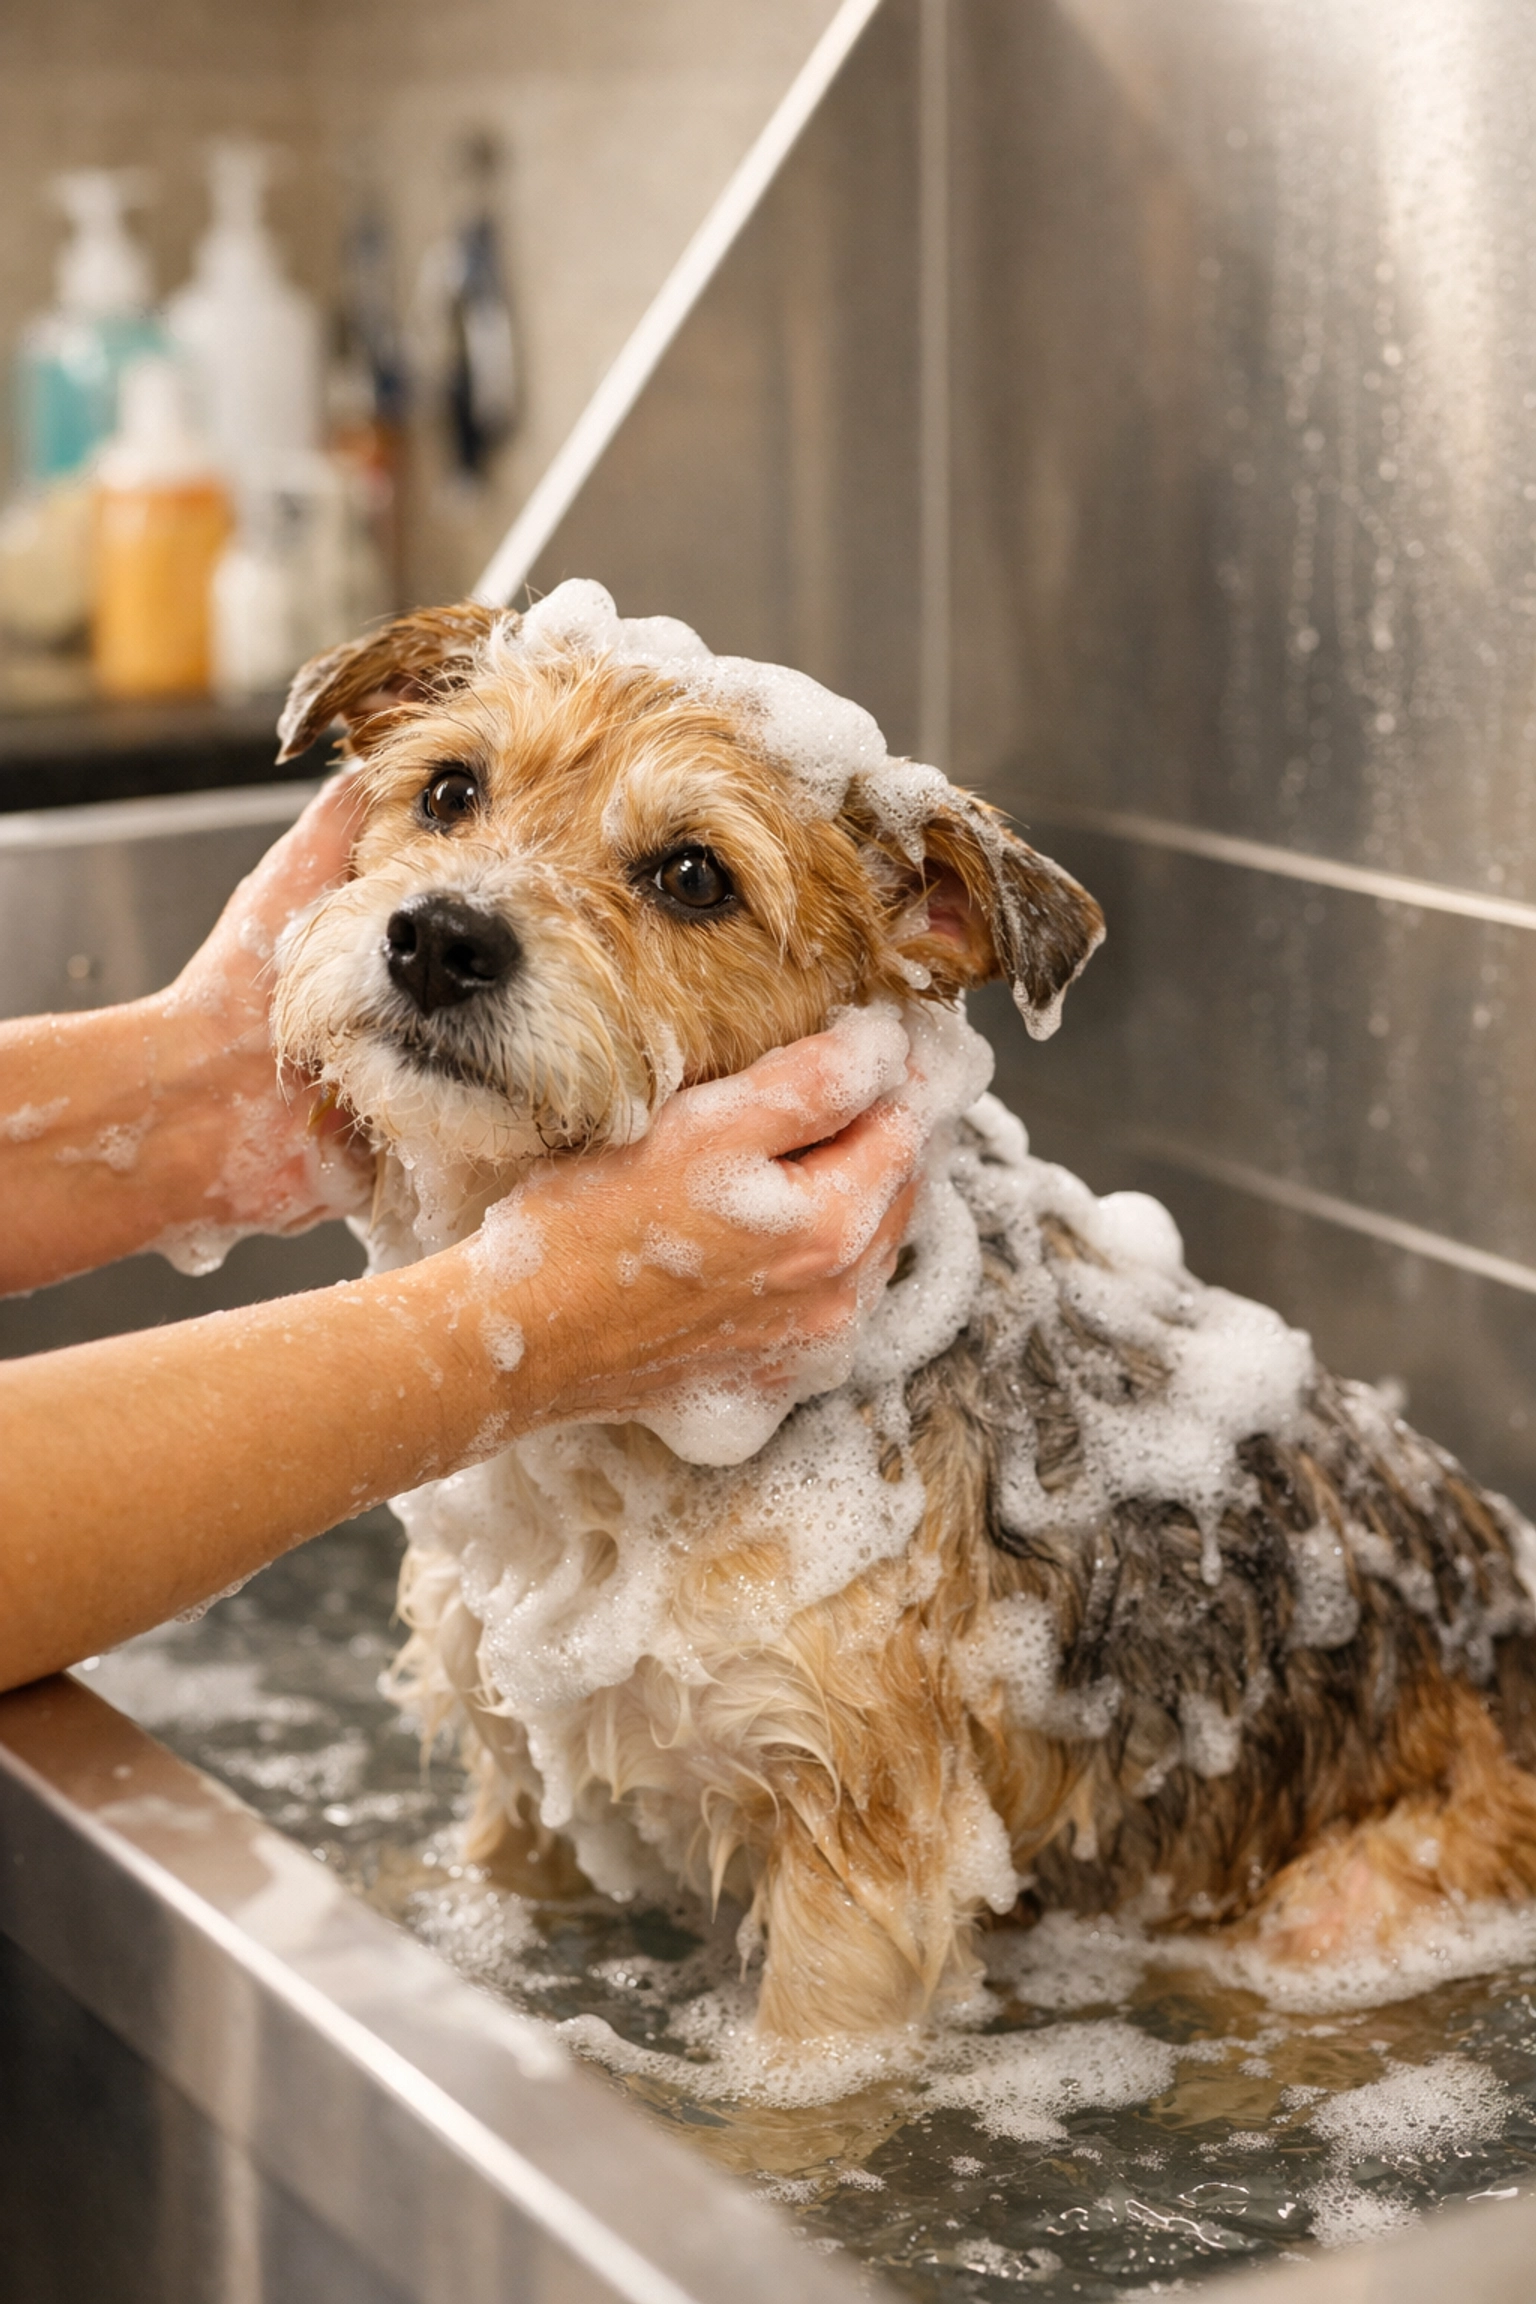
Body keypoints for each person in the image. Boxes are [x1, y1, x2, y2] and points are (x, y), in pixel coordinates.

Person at [0, 776, 924, 1695]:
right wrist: (533, 1329)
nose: (457, 914)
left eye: (689, 880)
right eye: (450, 798)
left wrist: (185, 1109)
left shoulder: (862, 1549)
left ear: (932, 919)